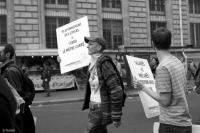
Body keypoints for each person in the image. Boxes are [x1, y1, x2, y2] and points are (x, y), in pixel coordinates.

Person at [135, 27, 192, 133]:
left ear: (153, 44)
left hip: (171, 124)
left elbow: (165, 100)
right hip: (183, 122)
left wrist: (143, 88)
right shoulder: (177, 62)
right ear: (170, 43)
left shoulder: (162, 67)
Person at [82, 37, 124, 133]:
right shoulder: (92, 63)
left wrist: (116, 115)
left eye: (91, 44)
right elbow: (82, 75)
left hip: (99, 108)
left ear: (99, 47)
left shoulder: (104, 63)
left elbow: (116, 90)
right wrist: (61, 61)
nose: (87, 46)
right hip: (93, 107)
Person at [0, 44, 35, 133]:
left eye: (0, 52)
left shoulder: (10, 71)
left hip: (21, 118)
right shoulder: (8, 69)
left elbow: (16, 99)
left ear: (7, 55)